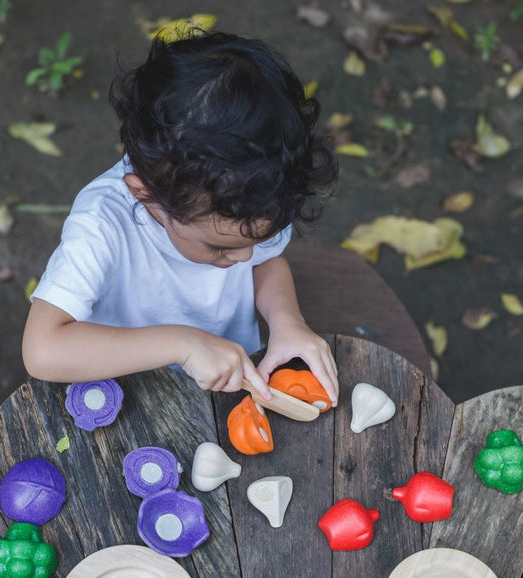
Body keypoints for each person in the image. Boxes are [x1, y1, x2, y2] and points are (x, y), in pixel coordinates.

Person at [22, 31, 339, 404]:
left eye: (255, 241)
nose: (244, 256)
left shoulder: (258, 190)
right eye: (220, 248)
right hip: (129, 392)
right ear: (146, 195)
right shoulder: (101, 225)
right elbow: (42, 351)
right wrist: (182, 344)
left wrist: (288, 322)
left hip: (229, 378)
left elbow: (264, 265)